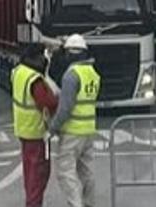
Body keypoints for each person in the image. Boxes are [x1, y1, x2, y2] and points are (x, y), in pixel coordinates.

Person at [49, 34, 101, 207]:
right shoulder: (93, 73)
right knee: (87, 171)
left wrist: (53, 128)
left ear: (69, 54)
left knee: (65, 171)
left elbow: (65, 108)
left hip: (72, 131)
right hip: (88, 129)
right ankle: (89, 203)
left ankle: (76, 204)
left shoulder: (71, 75)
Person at [11, 46, 59, 207]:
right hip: (36, 131)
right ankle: (33, 204)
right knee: (38, 175)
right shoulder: (35, 79)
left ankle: (32, 202)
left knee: (30, 173)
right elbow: (47, 102)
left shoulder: (19, 71)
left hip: (24, 129)